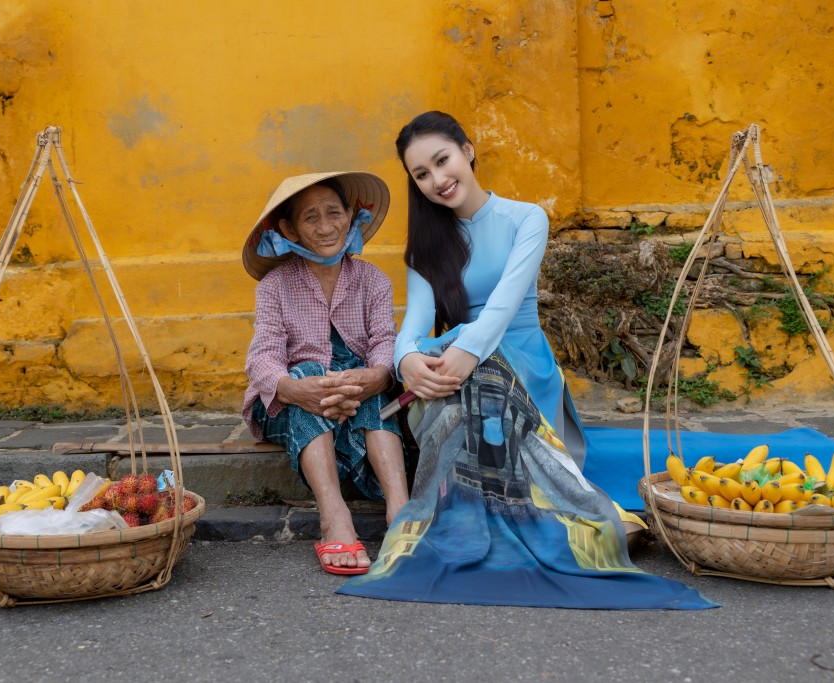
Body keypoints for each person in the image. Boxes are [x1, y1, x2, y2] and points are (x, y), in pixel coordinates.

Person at [337, 112, 715, 609]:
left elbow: (503, 307)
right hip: (452, 361)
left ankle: (543, 526)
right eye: (421, 174)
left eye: (442, 160)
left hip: (519, 359)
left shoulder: (526, 218)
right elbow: (412, 327)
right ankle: (489, 527)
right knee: (455, 392)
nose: (436, 179)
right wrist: (407, 361)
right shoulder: (427, 247)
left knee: (483, 382)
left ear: (468, 151)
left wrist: (463, 356)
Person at [241, 172, 409, 575]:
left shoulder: (373, 281)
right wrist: (295, 388)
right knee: (313, 370)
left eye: (334, 213)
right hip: (289, 404)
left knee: (363, 378)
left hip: (357, 398)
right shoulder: (275, 286)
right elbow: (263, 355)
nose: (326, 226)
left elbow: (386, 341)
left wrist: (378, 376)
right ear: (289, 229)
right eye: (310, 218)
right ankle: (334, 516)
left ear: (352, 216)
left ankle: (401, 511)